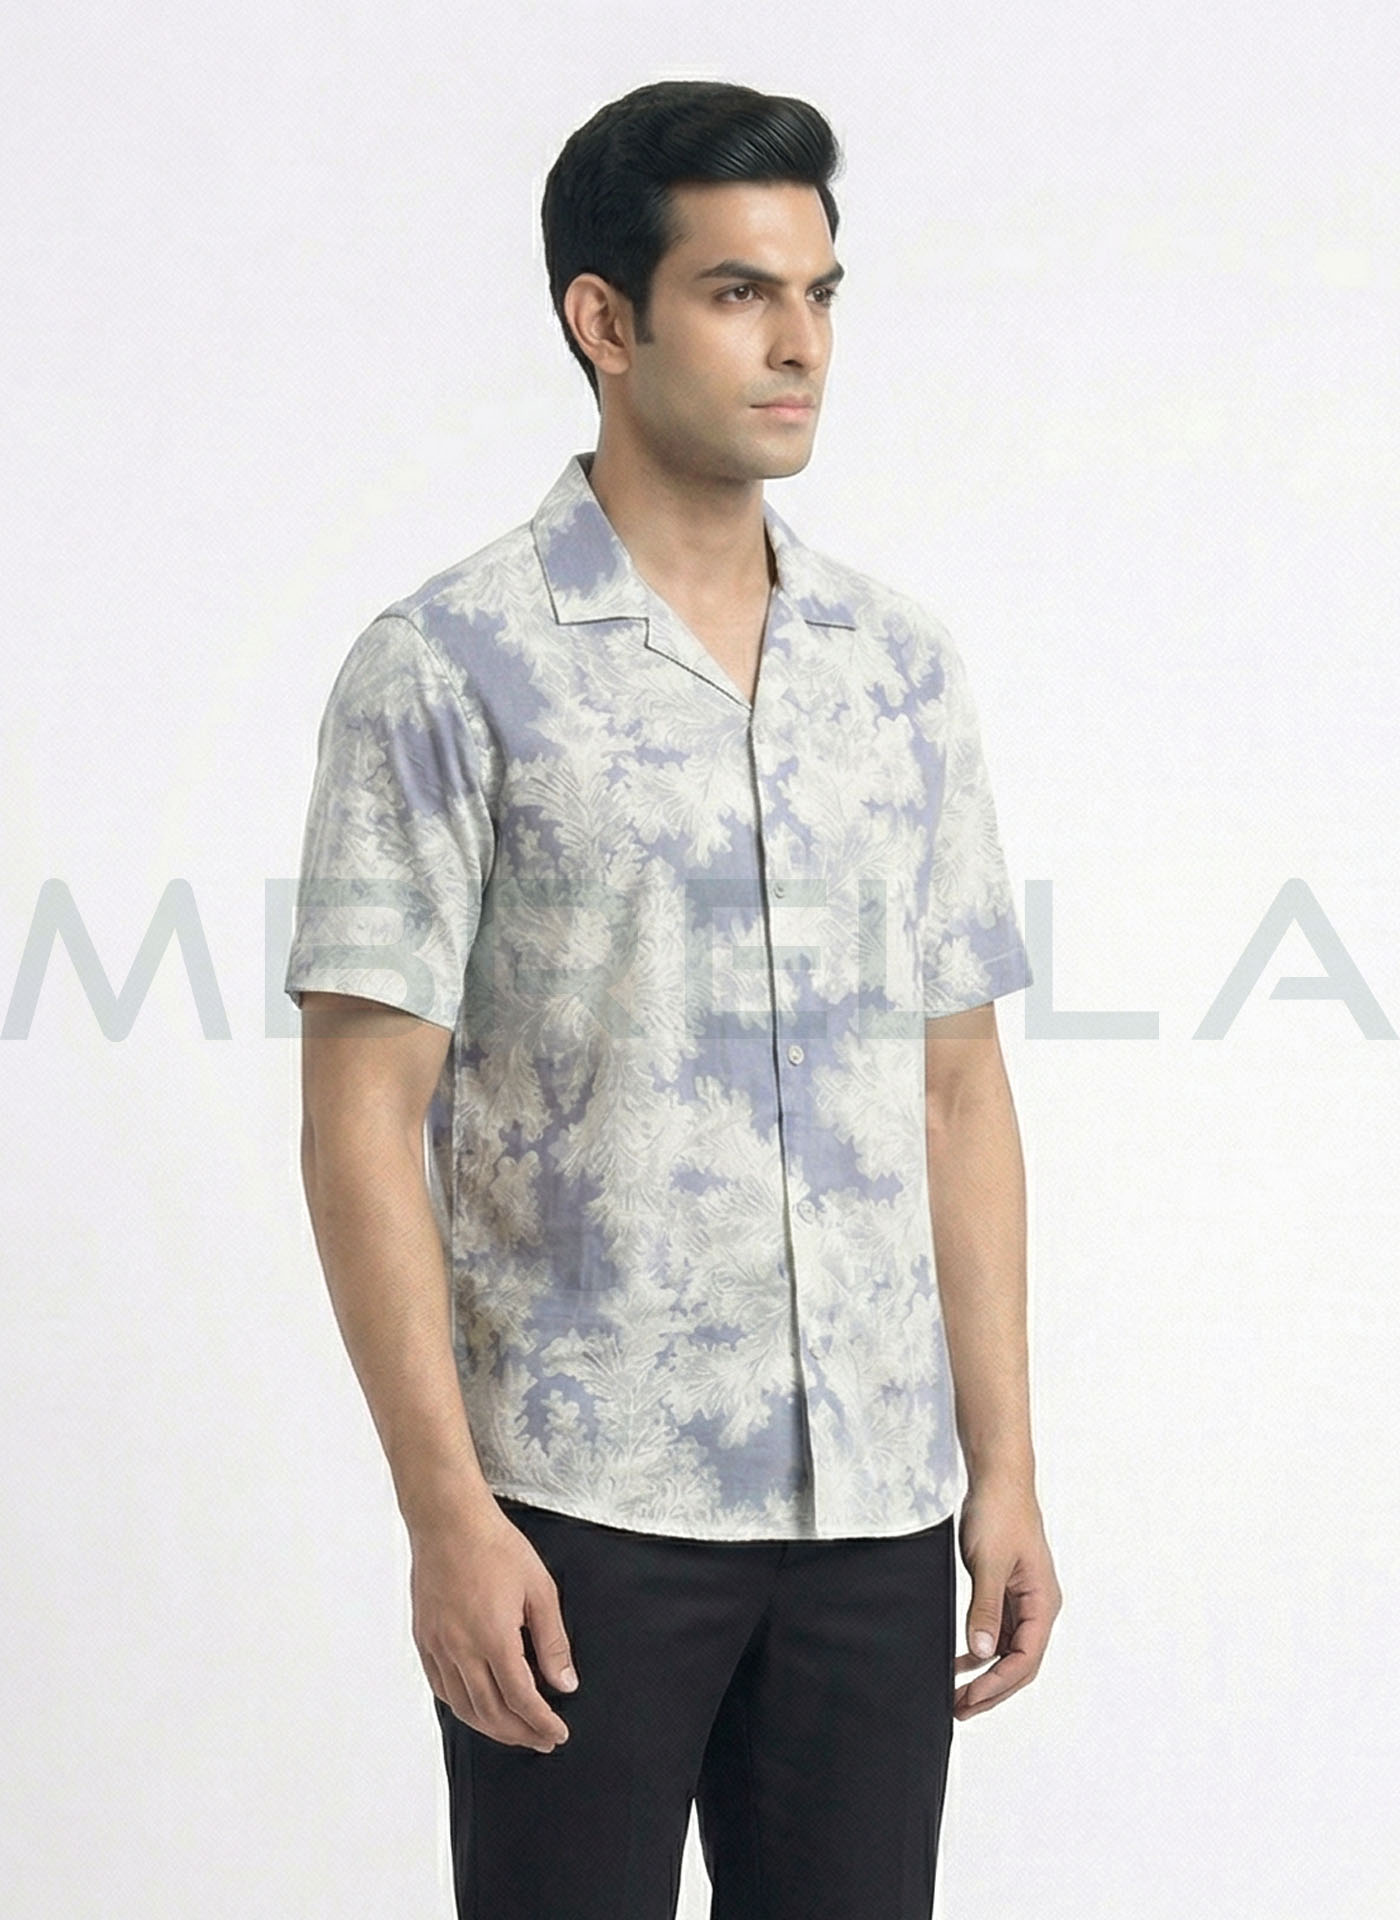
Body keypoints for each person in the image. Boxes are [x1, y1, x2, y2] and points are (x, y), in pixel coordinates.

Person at [283, 77, 1061, 1920]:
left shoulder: (900, 673)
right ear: (605, 321)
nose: (801, 345)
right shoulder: (446, 668)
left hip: (875, 1512)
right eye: (738, 293)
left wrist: (1007, 1467)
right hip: (580, 1515)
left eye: (821, 293)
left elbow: (959, 1089)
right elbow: (360, 1116)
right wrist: (447, 1516)